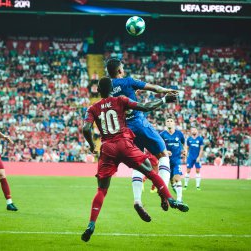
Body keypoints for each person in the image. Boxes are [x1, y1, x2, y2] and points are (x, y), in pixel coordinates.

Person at [81, 77, 189, 242]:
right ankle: (171, 199)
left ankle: (91, 224)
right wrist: (164, 99)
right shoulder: (121, 100)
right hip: (124, 143)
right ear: (112, 88)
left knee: (102, 190)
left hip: (107, 148)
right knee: (149, 170)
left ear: (98, 91)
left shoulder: (92, 108)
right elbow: (145, 107)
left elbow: (86, 128)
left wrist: (90, 145)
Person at [106, 58, 179, 220]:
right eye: (122, 68)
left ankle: (137, 200)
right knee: (163, 155)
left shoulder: (107, 88)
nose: (123, 70)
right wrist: (167, 90)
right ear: (119, 71)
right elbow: (153, 88)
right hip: (139, 123)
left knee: (138, 165)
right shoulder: (128, 81)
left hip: (124, 130)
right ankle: (164, 191)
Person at [159, 115, 185, 202]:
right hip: (166, 161)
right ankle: (176, 191)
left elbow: (183, 143)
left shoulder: (179, 134)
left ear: (174, 123)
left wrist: (184, 151)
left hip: (176, 160)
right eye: (168, 121)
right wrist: (165, 151)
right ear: (166, 123)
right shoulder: (162, 134)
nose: (169, 122)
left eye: (171, 121)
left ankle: (179, 200)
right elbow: (159, 145)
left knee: (177, 178)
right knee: (172, 182)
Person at [184, 126, 204, 190]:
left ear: (197, 131)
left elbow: (201, 149)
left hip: (197, 157)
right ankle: (185, 185)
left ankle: (197, 186)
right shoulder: (189, 139)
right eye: (192, 130)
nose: (193, 131)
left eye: (194, 130)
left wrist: (199, 157)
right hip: (190, 157)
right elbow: (187, 148)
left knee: (197, 171)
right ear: (191, 131)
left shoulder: (200, 139)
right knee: (188, 170)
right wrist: (186, 155)